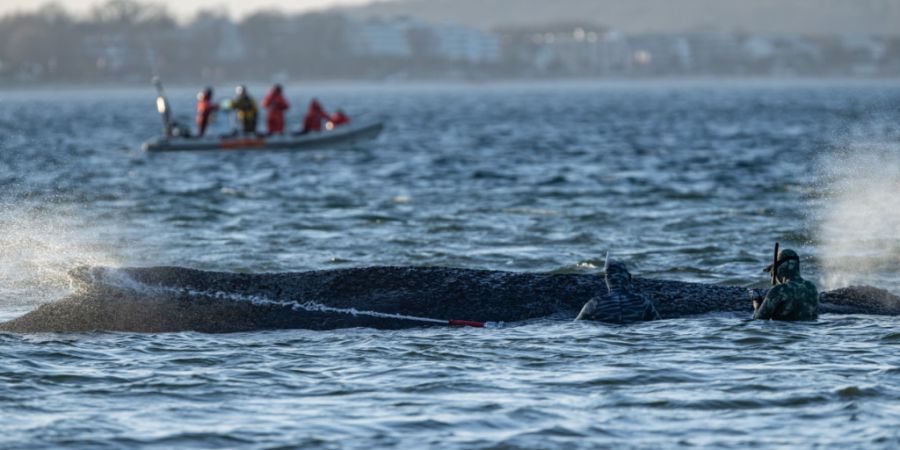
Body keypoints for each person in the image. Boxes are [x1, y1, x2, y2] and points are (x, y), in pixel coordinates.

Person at [576, 256, 661, 323]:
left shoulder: (595, 303)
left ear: (607, 280)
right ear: (628, 277)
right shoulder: (641, 301)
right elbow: (658, 325)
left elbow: (577, 326)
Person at [751, 248, 818, 321]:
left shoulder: (779, 290)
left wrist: (757, 304)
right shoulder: (811, 287)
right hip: (808, 331)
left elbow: (759, 319)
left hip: (783, 331)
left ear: (780, 268)